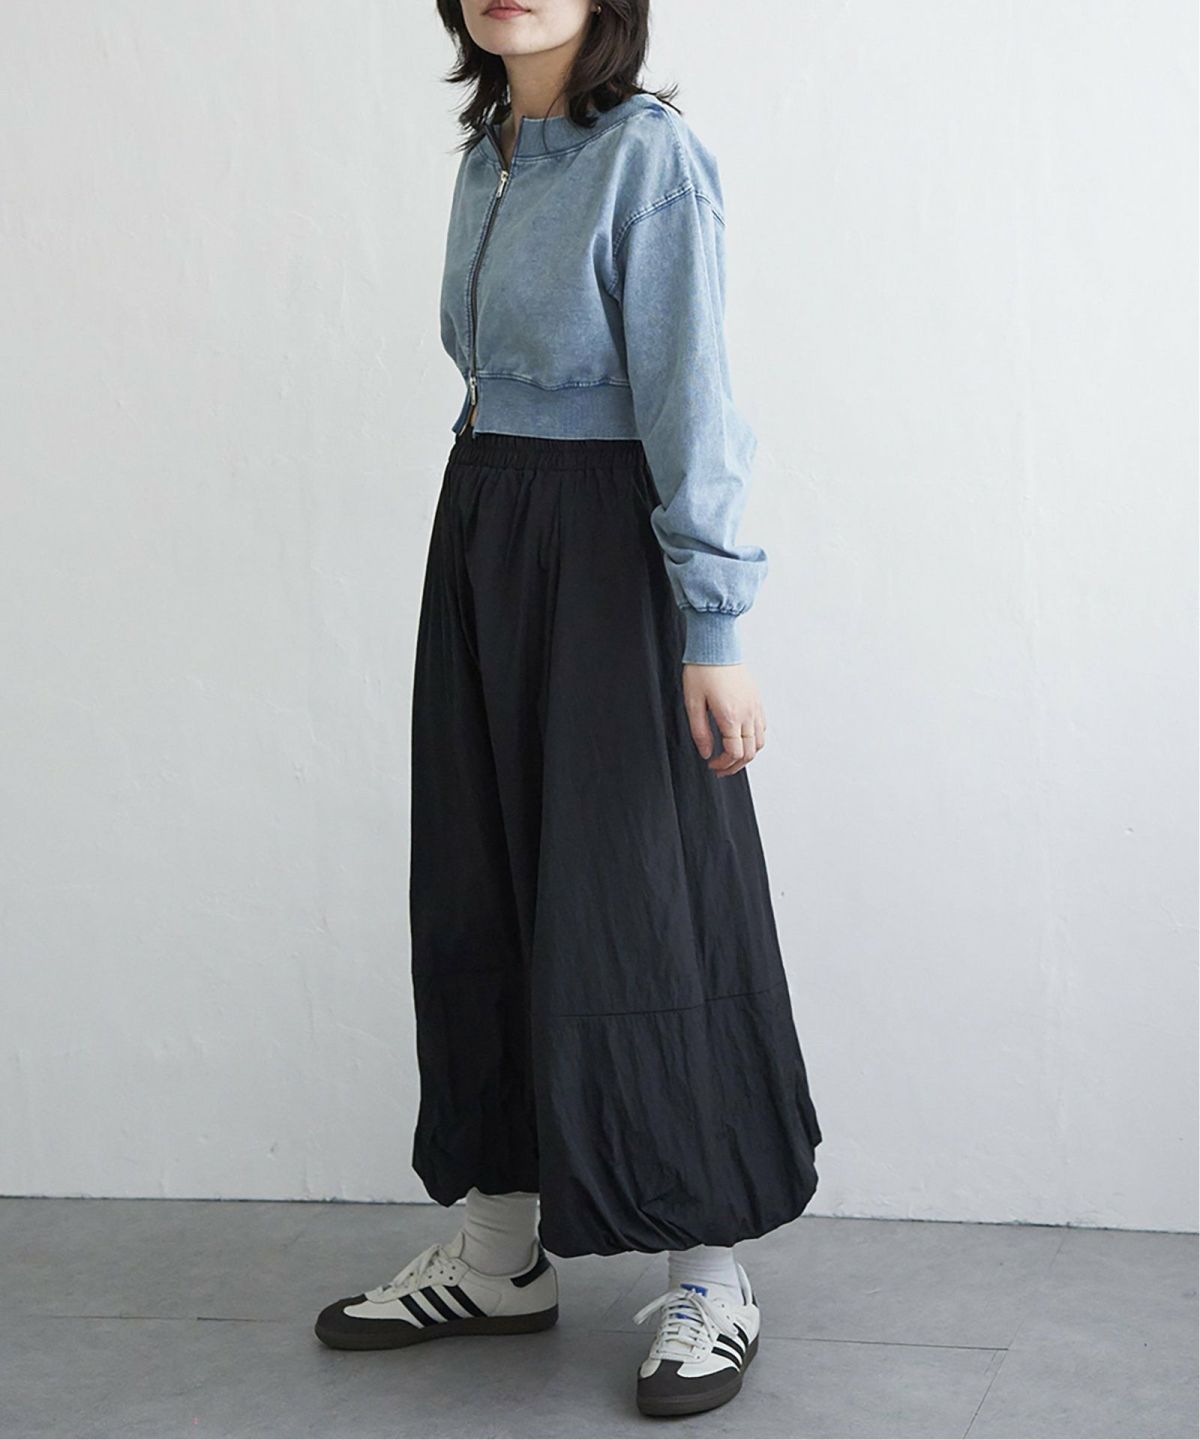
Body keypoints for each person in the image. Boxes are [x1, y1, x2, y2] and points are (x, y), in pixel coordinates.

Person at [314, 0, 822, 1419]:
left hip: (605, 546)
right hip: (483, 525)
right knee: (476, 887)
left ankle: (709, 1268)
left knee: (642, 898)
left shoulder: (648, 157)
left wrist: (714, 622)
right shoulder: (491, 151)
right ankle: (498, 1252)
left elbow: (692, 393)